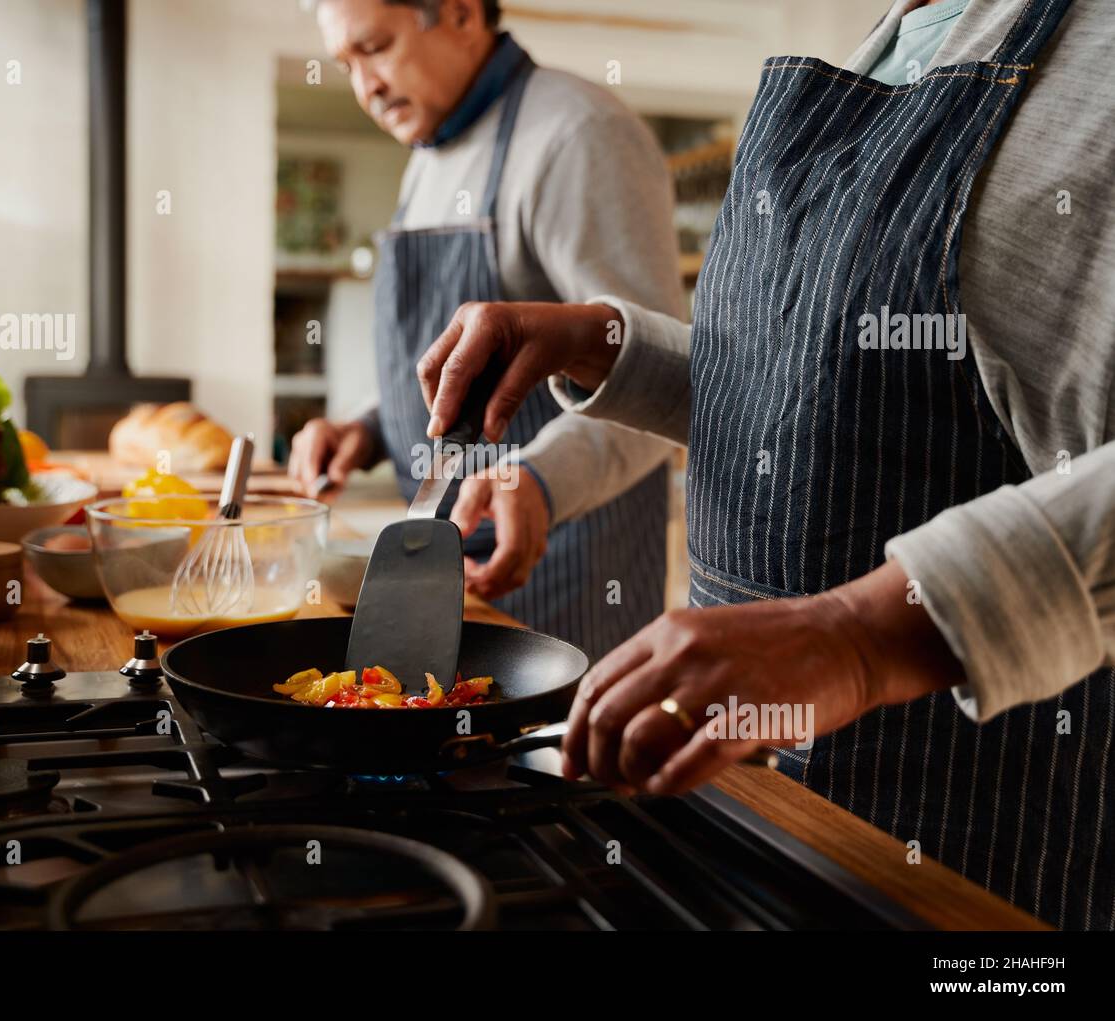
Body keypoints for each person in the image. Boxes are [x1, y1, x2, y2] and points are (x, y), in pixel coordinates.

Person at [415, 0, 1115, 930]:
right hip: (761, 809)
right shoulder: (906, 35)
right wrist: (612, 347)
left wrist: (861, 638)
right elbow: (838, 398)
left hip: (973, 844)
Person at [289, 0, 682, 660]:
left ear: (463, 13)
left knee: (555, 762)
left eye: (376, 47)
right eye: (346, 63)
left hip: (569, 570)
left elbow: (658, 385)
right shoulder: (429, 155)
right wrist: (368, 426)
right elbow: (453, 364)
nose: (365, 86)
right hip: (447, 563)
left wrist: (541, 478)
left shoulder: (580, 134)